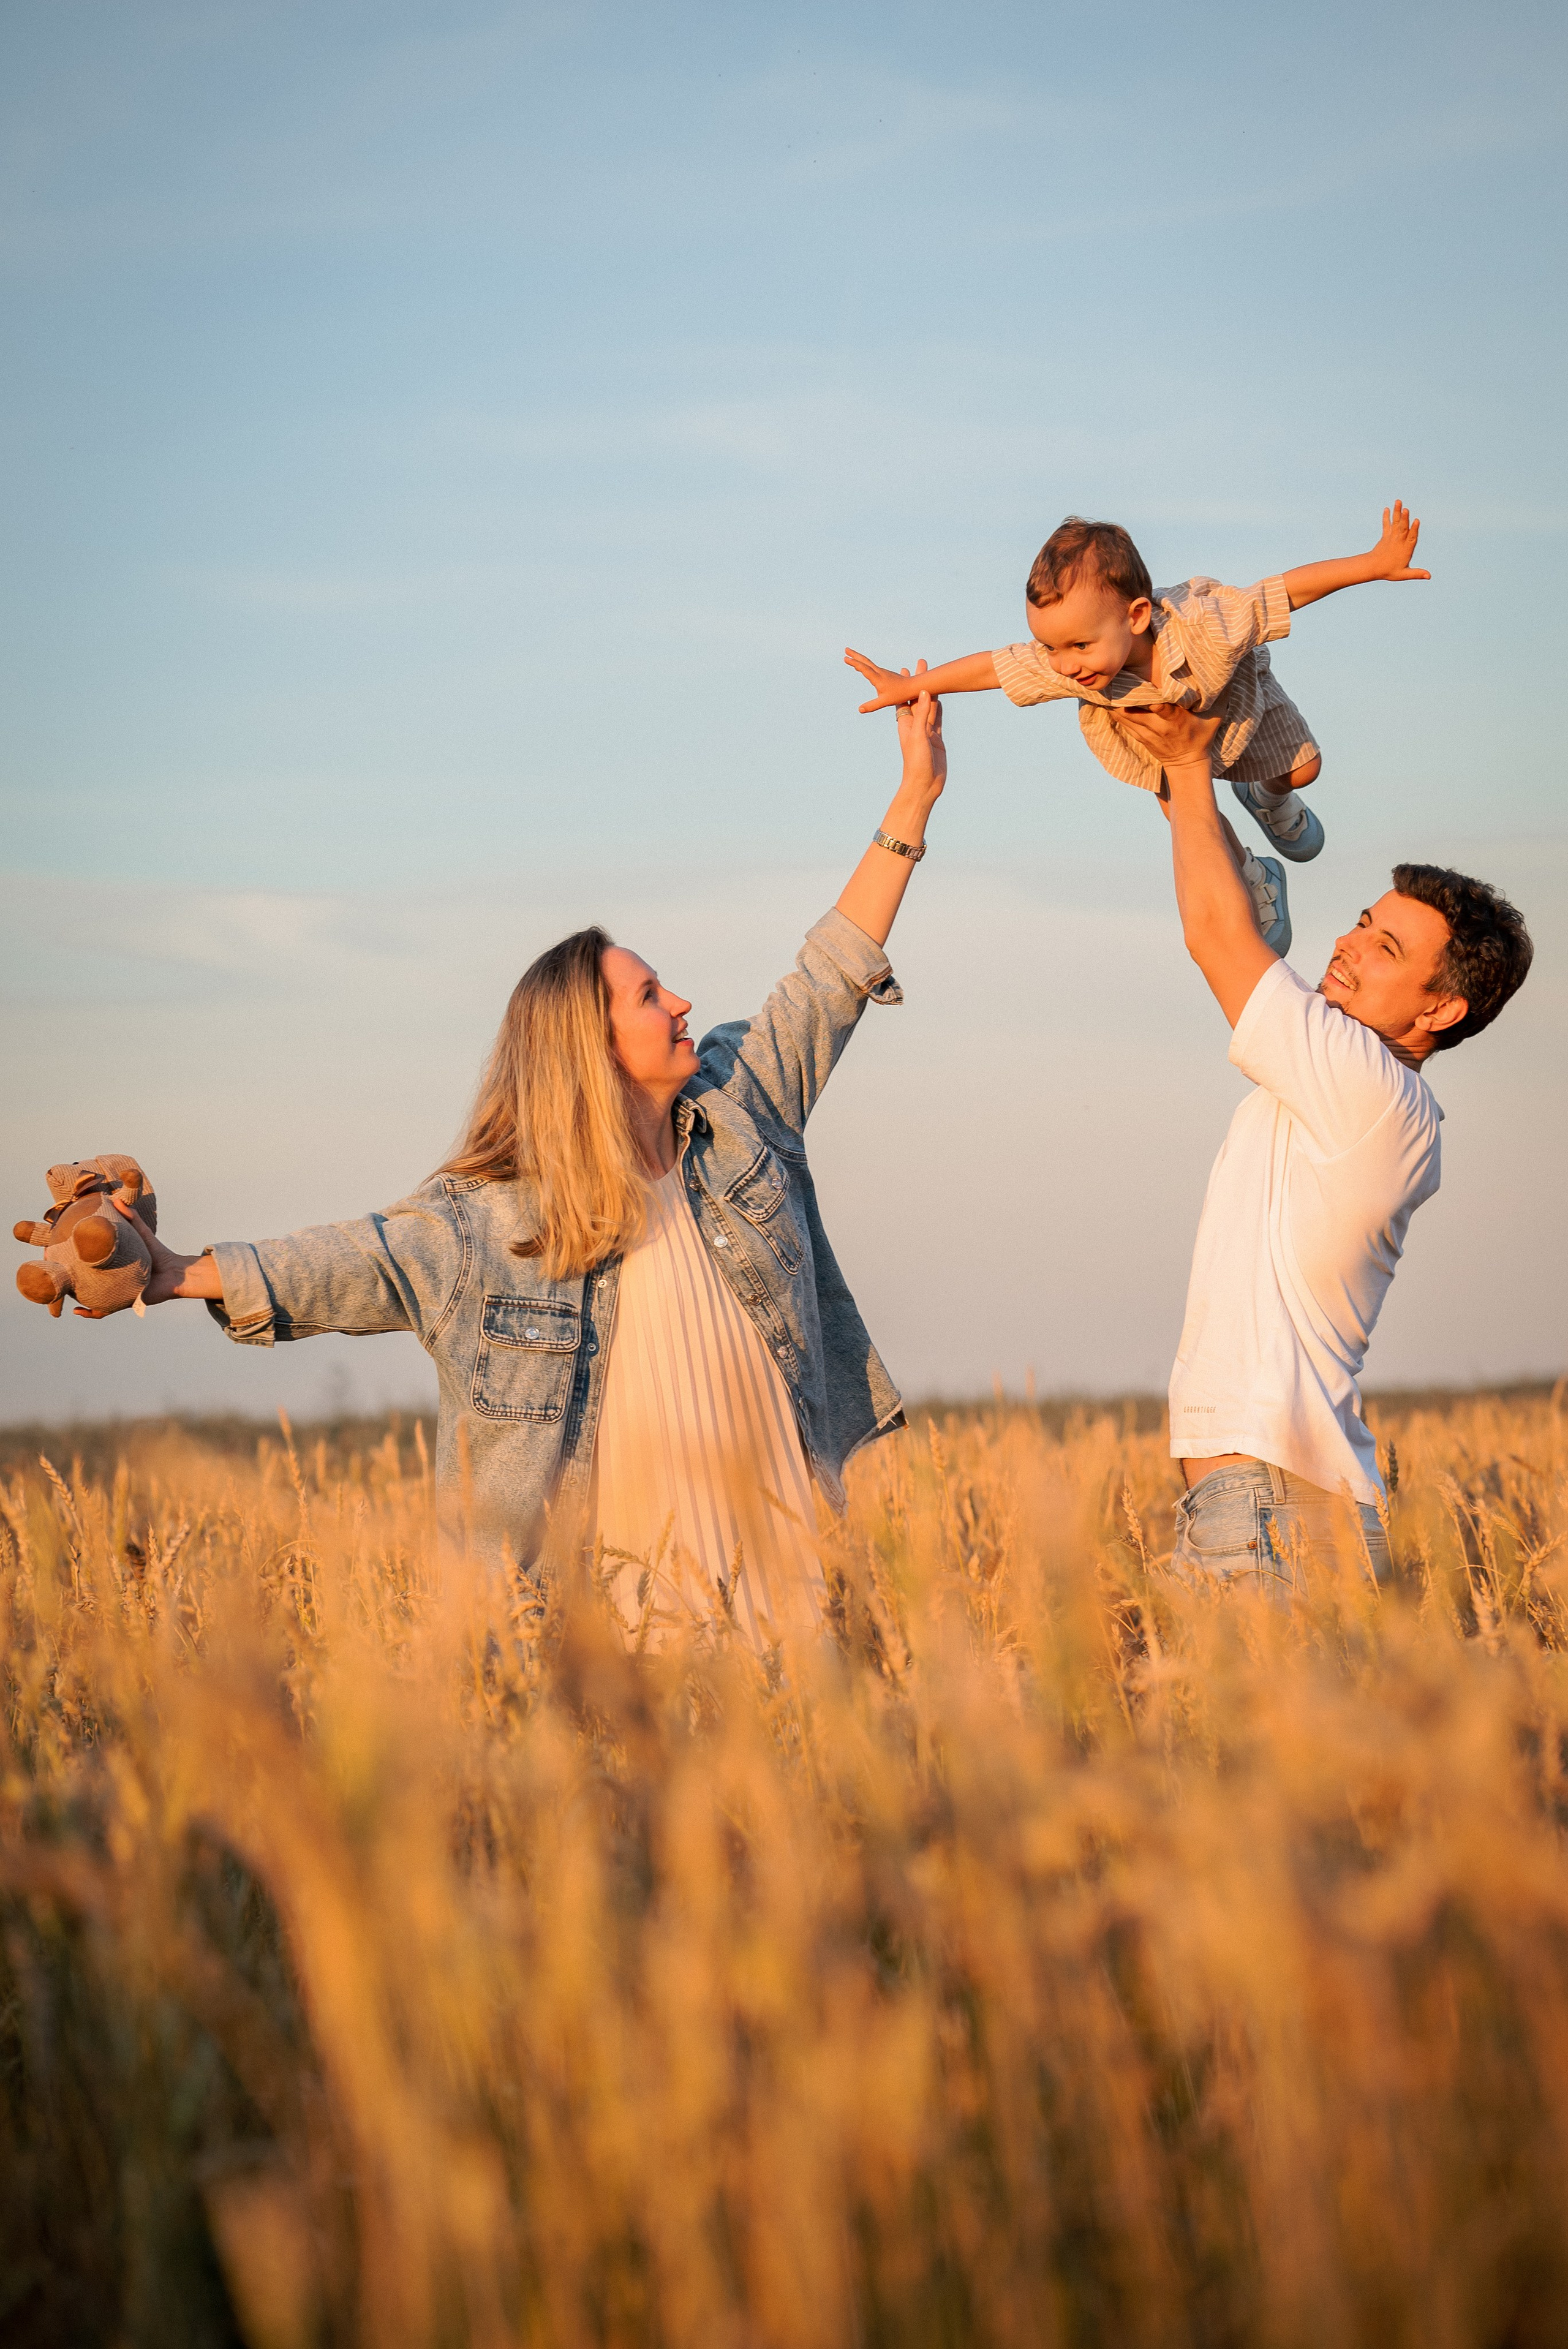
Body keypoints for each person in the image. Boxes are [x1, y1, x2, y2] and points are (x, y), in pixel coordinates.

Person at [103, 681, 950, 1651]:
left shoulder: (737, 1112)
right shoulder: (496, 1225)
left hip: (798, 1614)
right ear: (591, 1047)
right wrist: (172, 1271)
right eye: (648, 995)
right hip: (632, 1640)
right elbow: (356, 1260)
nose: (681, 1001)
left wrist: (914, 796)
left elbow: (828, 977)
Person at [1104, 696, 1531, 1598]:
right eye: (1363, 921)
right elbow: (1228, 900)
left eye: (1386, 947)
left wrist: (1188, 764)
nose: (1348, 943)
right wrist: (1171, 757)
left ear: (1440, 1008)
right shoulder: (1352, 1077)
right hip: (1271, 1507)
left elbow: (1219, 935)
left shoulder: (1368, 1088)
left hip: (1274, 1514)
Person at [844, 502, 1431, 877]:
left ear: (1137, 615)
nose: (1064, 664)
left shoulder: (1208, 623)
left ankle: (1269, 799)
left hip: (1239, 709)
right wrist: (912, 684)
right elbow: (993, 668)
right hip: (1161, 746)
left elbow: (1282, 592)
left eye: (1079, 645)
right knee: (1186, 811)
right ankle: (1252, 875)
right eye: (1051, 645)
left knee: (1305, 769)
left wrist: (1372, 564)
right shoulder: (1068, 662)